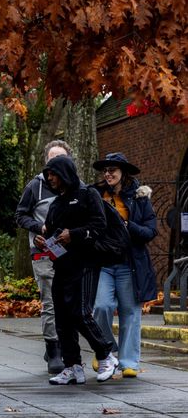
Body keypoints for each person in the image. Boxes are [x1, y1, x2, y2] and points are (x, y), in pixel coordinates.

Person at [34, 156, 117, 385]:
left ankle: (106, 355)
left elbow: (100, 226)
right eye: (48, 175)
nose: (49, 179)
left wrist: (75, 234)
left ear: (64, 173)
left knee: (79, 312)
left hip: (86, 263)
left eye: (52, 174)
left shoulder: (88, 194)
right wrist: (45, 241)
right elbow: (52, 231)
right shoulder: (56, 204)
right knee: (62, 317)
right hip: (61, 265)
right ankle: (72, 366)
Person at [90, 153, 157, 378]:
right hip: (103, 263)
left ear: (123, 173)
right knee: (101, 307)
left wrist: (127, 226)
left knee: (130, 312)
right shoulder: (96, 195)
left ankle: (129, 362)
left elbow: (150, 231)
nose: (108, 174)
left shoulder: (139, 197)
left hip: (130, 264)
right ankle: (106, 351)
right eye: (106, 170)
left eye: (113, 170)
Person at [15, 140, 72, 374]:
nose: (56, 163)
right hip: (44, 252)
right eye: (52, 159)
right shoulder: (34, 187)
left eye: (61, 158)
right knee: (50, 300)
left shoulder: (76, 187)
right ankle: (54, 349)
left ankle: (63, 344)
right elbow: (20, 215)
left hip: (71, 253)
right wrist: (40, 228)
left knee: (70, 302)